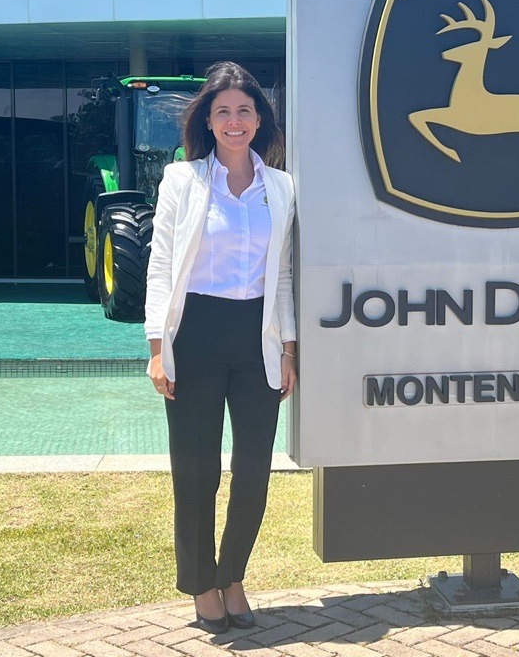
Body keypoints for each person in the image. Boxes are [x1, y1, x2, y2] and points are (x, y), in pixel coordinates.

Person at [144, 61, 297, 635]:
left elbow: (281, 276)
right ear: (208, 121)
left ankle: (232, 576)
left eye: (244, 110)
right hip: (196, 333)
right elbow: (160, 267)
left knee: (254, 467)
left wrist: (288, 348)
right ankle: (202, 586)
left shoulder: (281, 188)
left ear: (260, 119)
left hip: (256, 336)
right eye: (223, 111)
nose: (235, 121)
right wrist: (158, 346)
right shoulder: (181, 181)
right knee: (196, 469)